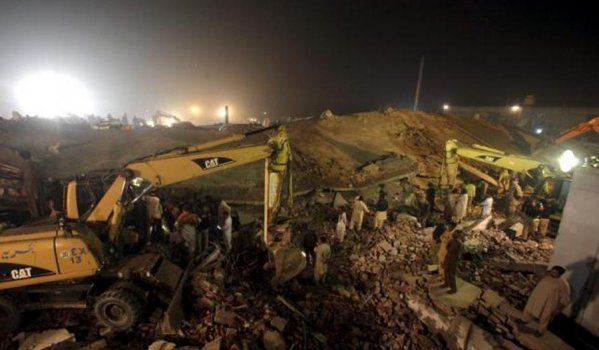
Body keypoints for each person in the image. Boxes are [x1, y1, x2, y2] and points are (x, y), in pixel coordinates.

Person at [520, 266, 571, 335]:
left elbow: (565, 298)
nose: (553, 273)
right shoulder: (546, 277)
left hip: (549, 303)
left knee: (544, 317)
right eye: (552, 271)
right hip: (537, 298)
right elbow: (535, 279)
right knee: (529, 309)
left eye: (555, 272)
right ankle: (524, 320)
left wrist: (559, 308)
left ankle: (540, 331)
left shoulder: (563, 284)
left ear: (560, 274)